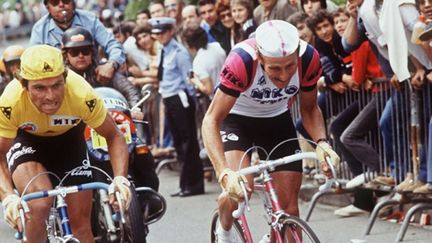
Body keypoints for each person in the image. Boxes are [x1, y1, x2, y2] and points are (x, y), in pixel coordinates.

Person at [201, 20, 340, 242]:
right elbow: (211, 120)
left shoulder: (308, 58)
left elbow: (309, 108)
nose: (284, 76)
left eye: (289, 66)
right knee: (240, 190)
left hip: (276, 120)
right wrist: (224, 172)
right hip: (235, 119)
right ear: (260, 57)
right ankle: (225, 229)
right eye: (275, 68)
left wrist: (322, 143)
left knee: (288, 210)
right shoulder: (242, 60)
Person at [0, 45, 131, 242]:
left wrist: (120, 179)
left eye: (57, 85)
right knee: (39, 205)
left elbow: (114, 137)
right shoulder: (10, 101)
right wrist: (8, 196)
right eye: (39, 88)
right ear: (24, 85)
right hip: (28, 141)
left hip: (69, 142)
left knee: (81, 227)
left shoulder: (82, 94)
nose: (50, 96)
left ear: (65, 78)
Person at [149, 17, 205, 197]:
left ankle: (194, 184)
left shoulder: (178, 51)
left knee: (188, 143)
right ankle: (185, 183)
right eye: (157, 33)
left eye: (163, 32)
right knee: (180, 144)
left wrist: (191, 101)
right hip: (169, 98)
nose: (160, 36)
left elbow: (187, 77)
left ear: (171, 31)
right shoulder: (163, 50)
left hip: (181, 99)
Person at [30, 0, 125, 84]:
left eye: (66, 1)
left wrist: (111, 64)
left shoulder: (90, 19)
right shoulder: (39, 29)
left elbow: (112, 44)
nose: (61, 5)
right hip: (60, 83)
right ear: (48, 7)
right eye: (55, 2)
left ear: (73, 3)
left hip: (94, 76)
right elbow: (33, 60)